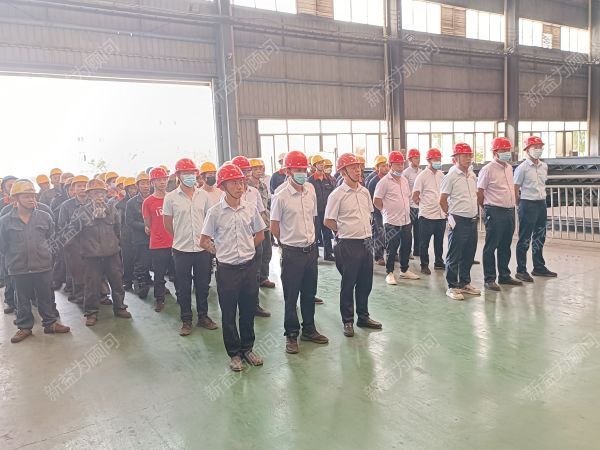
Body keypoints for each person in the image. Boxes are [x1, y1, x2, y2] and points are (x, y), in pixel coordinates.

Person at [200, 163, 266, 371]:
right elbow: (203, 240)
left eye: (241, 182)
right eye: (234, 183)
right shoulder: (215, 212)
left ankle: (248, 349)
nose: (239, 187)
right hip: (227, 270)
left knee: (248, 311)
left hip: (248, 267)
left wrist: (248, 249)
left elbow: (260, 234)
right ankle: (234, 354)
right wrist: (219, 252)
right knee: (229, 314)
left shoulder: (250, 208)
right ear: (223, 186)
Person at [271, 151, 329, 354]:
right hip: (292, 253)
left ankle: (309, 329)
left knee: (309, 292)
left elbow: (313, 217)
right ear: (288, 171)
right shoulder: (281, 195)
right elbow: (274, 226)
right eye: (297, 170)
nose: (302, 173)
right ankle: (291, 334)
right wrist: (287, 244)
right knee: (291, 296)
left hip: (310, 251)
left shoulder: (310, 189)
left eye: (304, 169)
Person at [0, 180, 70, 343]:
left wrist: (47, 256)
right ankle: (24, 327)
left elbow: (52, 240)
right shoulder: (5, 221)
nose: (31, 199)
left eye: (33, 196)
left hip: (42, 265)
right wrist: (13, 259)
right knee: (22, 299)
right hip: (18, 267)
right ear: (16, 198)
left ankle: (50, 323)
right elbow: (2, 246)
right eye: (26, 196)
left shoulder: (45, 217)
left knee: (46, 296)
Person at [324, 153, 382, 337]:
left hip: (366, 242)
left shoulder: (364, 192)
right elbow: (328, 220)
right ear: (343, 172)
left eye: (359, 167)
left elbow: (369, 214)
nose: (358, 171)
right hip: (348, 244)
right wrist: (342, 231)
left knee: (365, 283)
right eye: (353, 168)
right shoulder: (337, 195)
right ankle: (347, 321)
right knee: (348, 284)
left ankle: (363, 317)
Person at [164, 158, 218, 336]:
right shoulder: (171, 198)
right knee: (183, 287)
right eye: (185, 173)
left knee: (203, 285)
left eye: (192, 173)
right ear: (178, 175)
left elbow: (210, 219)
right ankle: (186, 319)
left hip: (202, 249)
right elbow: (167, 223)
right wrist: (179, 236)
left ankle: (203, 317)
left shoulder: (204, 196)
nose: (189, 176)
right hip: (181, 250)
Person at [76, 179, 131, 326]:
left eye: (101, 192)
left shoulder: (111, 209)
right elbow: (75, 232)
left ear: (106, 194)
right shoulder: (81, 211)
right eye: (95, 193)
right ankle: (91, 313)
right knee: (92, 286)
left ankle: (120, 307)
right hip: (92, 256)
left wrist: (115, 246)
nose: (99, 195)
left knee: (117, 282)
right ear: (89, 195)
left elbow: (117, 229)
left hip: (112, 254)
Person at [478, 137, 523, 291]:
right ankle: (489, 278)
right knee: (491, 246)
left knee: (505, 245)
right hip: (494, 210)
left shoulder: (509, 168)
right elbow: (480, 192)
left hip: (509, 211)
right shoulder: (487, 169)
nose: (506, 153)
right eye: (503, 150)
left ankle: (504, 275)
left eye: (507, 150)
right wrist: (486, 208)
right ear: (495, 152)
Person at [439, 143, 481, 301]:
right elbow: (442, 199)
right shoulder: (450, 176)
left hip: (472, 219)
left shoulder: (472, 175)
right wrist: (449, 215)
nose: (468, 158)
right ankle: (452, 286)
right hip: (458, 220)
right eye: (465, 155)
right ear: (456, 158)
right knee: (454, 254)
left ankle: (464, 282)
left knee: (469, 253)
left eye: (470, 155)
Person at [230, 155, 271, 316]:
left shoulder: (254, 192)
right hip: (236, 241)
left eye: (247, 171)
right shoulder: (225, 194)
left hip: (254, 239)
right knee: (236, 276)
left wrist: (261, 235)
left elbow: (260, 213)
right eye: (243, 171)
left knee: (254, 274)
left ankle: (254, 305)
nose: (246, 174)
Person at [514, 136, 557, 281]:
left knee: (540, 236)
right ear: (527, 150)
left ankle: (539, 266)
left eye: (540, 147)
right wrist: (519, 204)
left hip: (541, 204)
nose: (538, 150)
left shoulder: (544, 166)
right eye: (535, 147)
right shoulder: (522, 168)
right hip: (527, 203)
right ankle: (521, 270)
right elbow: (516, 187)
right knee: (525, 238)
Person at [373, 151, 420, 284]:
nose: (400, 167)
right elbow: (376, 201)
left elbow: (407, 197)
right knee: (391, 248)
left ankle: (404, 270)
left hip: (406, 220)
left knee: (406, 246)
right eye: (397, 164)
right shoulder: (384, 182)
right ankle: (389, 273)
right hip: (392, 221)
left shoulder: (404, 180)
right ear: (390, 165)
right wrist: (385, 211)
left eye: (401, 164)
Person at [143, 167, 174, 312]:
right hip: (158, 244)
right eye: (159, 180)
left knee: (178, 274)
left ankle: (182, 296)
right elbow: (147, 223)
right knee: (159, 275)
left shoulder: (173, 198)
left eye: (164, 179)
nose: (162, 182)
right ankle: (159, 299)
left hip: (175, 242)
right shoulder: (148, 202)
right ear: (152, 182)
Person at [412, 148, 446, 275]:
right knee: (424, 242)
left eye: (439, 159)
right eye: (435, 159)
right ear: (429, 160)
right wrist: (424, 205)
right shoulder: (422, 176)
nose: (438, 161)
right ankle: (424, 265)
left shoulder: (441, 175)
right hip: (426, 216)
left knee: (439, 241)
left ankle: (439, 262)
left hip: (440, 215)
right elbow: (415, 195)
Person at [58, 175, 90, 304]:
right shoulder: (66, 205)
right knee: (77, 271)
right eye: (79, 186)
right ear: (73, 189)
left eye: (84, 186)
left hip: (93, 243)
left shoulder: (94, 203)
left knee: (95, 270)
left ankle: (99, 294)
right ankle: (80, 294)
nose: (82, 188)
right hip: (74, 244)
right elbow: (62, 226)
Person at [248, 158, 275, 288]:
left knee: (267, 253)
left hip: (265, 224)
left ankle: (263, 278)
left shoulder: (263, 186)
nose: (259, 171)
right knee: (256, 255)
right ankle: (254, 279)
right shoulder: (246, 187)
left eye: (260, 168)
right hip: (253, 227)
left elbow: (266, 205)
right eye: (255, 168)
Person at [126, 171, 153, 299]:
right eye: (142, 183)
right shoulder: (131, 203)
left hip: (156, 236)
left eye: (147, 183)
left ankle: (158, 283)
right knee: (141, 262)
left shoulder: (157, 199)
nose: (146, 186)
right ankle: (140, 284)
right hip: (141, 238)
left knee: (158, 261)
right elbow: (129, 221)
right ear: (137, 185)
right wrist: (144, 227)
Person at [308, 154, 336, 261]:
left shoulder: (328, 179)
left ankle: (328, 254)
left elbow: (333, 194)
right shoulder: (310, 180)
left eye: (322, 163)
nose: (321, 165)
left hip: (327, 211)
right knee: (315, 233)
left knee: (327, 233)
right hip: (315, 211)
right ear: (314, 165)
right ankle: (314, 254)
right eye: (319, 163)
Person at [366, 155, 389, 266]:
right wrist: (376, 210)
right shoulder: (373, 181)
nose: (386, 168)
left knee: (390, 233)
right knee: (379, 233)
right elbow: (370, 198)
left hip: (388, 212)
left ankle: (391, 253)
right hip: (377, 212)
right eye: (383, 166)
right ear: (377, 167)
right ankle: (378, 256)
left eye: (387, 165)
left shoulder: (390, 179)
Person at [116, 177, 138, 290]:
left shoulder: (141, 201)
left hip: (138, 234)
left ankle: (142, 278)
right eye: (131, 188)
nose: (134, 190)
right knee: (127, 258)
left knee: (140, 258)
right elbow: (119, 223)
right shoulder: (121, 204)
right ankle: (127, 280)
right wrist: (120, 237)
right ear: (127, 189)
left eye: (135, 188)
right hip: (126, 235)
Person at [404, 149, 422, 259]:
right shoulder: (406, 173)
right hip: (410, 206)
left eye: (419, 157)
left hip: (419, 206)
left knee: (419, 230)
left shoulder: (421, 172)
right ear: (410, 159)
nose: (418, 160)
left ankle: (417, 250)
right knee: (408, 232)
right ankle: (408, 251)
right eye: (415, 158)